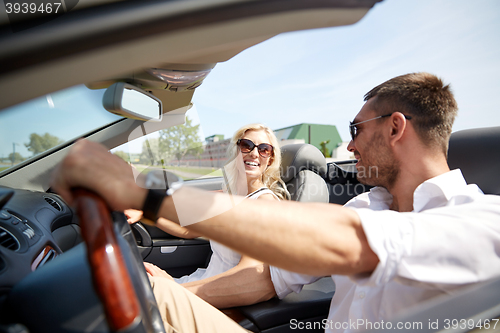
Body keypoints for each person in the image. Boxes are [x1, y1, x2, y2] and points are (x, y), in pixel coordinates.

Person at [50, 72, 500, 333]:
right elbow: (267, 271)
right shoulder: (364, 208)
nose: (350, 145)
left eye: (356, 129)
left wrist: (139, 193)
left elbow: (348, 244)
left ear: (396, 127)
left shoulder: (482, 220)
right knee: (141, 293)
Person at [132, 124, 288, 305]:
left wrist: (175, 291)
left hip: (218, 297)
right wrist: (145, 213)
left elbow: (250, 277)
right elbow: (187, 231)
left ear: (270, 159)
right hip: (201, 282)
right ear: (237, 151)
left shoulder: (264, 204)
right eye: (246, 145)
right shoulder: (227, 197)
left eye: (264, 149)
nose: (254, 153)